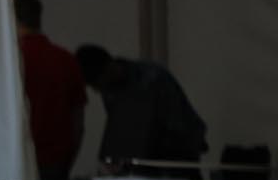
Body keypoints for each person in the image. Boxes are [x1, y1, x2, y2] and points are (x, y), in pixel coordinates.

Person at [76, 43, 208, 170]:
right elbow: (122, 129)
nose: (97, 90)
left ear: (108, 68)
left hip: (176, 154)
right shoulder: (111, 91)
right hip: (147, 158)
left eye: (97, 83)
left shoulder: (153, 79)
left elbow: (177, 124)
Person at [15, 0, 87, 180]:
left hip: (16, 159)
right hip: (56, 162)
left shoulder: (10, 61)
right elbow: (78, 123)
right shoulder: (65, 60)